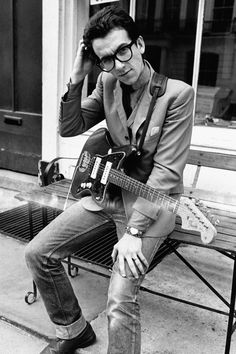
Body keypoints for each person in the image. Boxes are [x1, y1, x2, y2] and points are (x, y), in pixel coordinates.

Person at [25, 5, 194, 354]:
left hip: (152, 203)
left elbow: (166, 174)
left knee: (119, 298)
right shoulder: (106, 81)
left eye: (123, 50)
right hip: (108, 192)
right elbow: (69, 127)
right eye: (107, 59)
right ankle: (74, 331)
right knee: (38, 253)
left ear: (140, 44)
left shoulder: (178, 95)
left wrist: (133, 232)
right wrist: (76, 77)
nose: (119, 64)